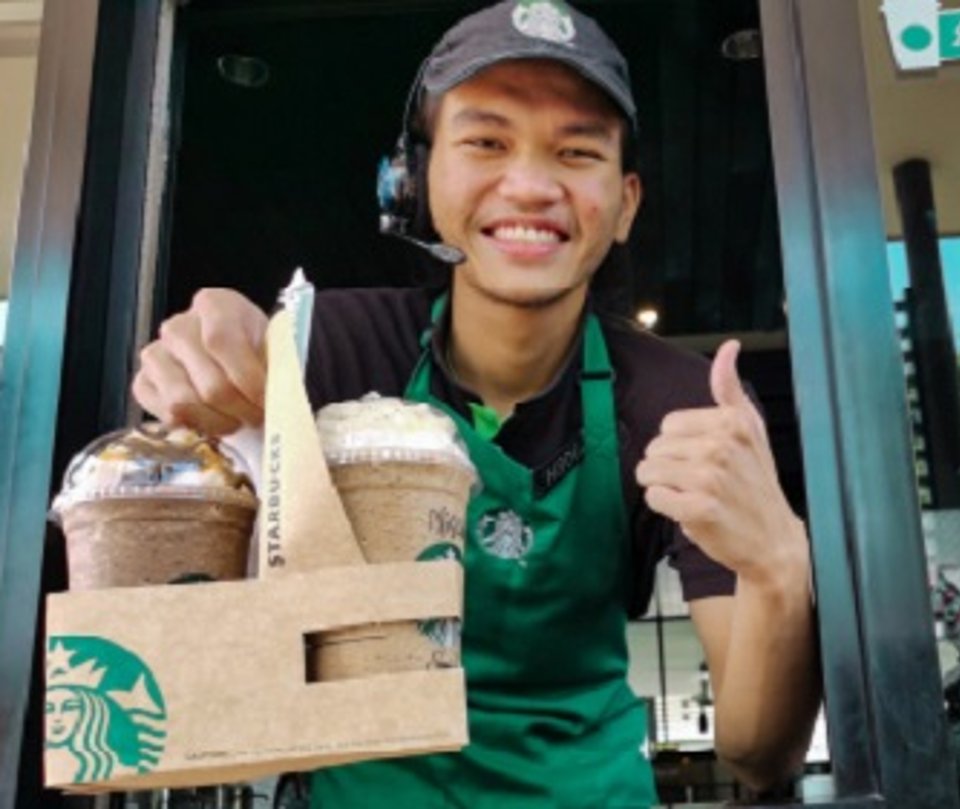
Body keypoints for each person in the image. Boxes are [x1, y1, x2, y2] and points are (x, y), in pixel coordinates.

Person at [130, 0, 820, 805]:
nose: (529, 185)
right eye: (486, 142)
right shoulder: (330, 350)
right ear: (415, 181)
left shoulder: (682, 402)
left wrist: (779, 565)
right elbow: (185, 637)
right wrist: (204, 397)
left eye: (575, 151)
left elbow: (757, 755)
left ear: (625, 202)